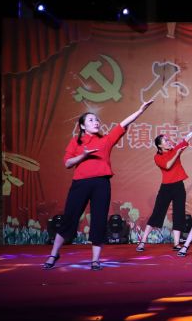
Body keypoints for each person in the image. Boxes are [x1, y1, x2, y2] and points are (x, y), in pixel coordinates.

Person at [42, 99, 155, 270]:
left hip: (101, 184)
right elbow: (67, 163)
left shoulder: (106, 140)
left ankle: (95, 260)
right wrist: (83, 155)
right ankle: (53, 254)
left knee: (99, 220)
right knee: (69, 218)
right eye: (91, 120)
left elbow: (123, 123)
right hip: (80, 184)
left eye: (96, 120)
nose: (96, 122)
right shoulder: (76, 142)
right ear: (82, 126)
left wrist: (140, 110)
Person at [136, 118, 192, 251]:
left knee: (179, 214)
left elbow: (186, 138)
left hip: (178, 187)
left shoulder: (175, 150)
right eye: (165, 141)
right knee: (157, 213)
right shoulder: (158, 157)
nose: (169, 142)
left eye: (168, 140)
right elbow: (168, 166)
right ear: (160, 146)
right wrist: (177, 154)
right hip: (166, 188)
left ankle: (176, 243)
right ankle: (142, 241)